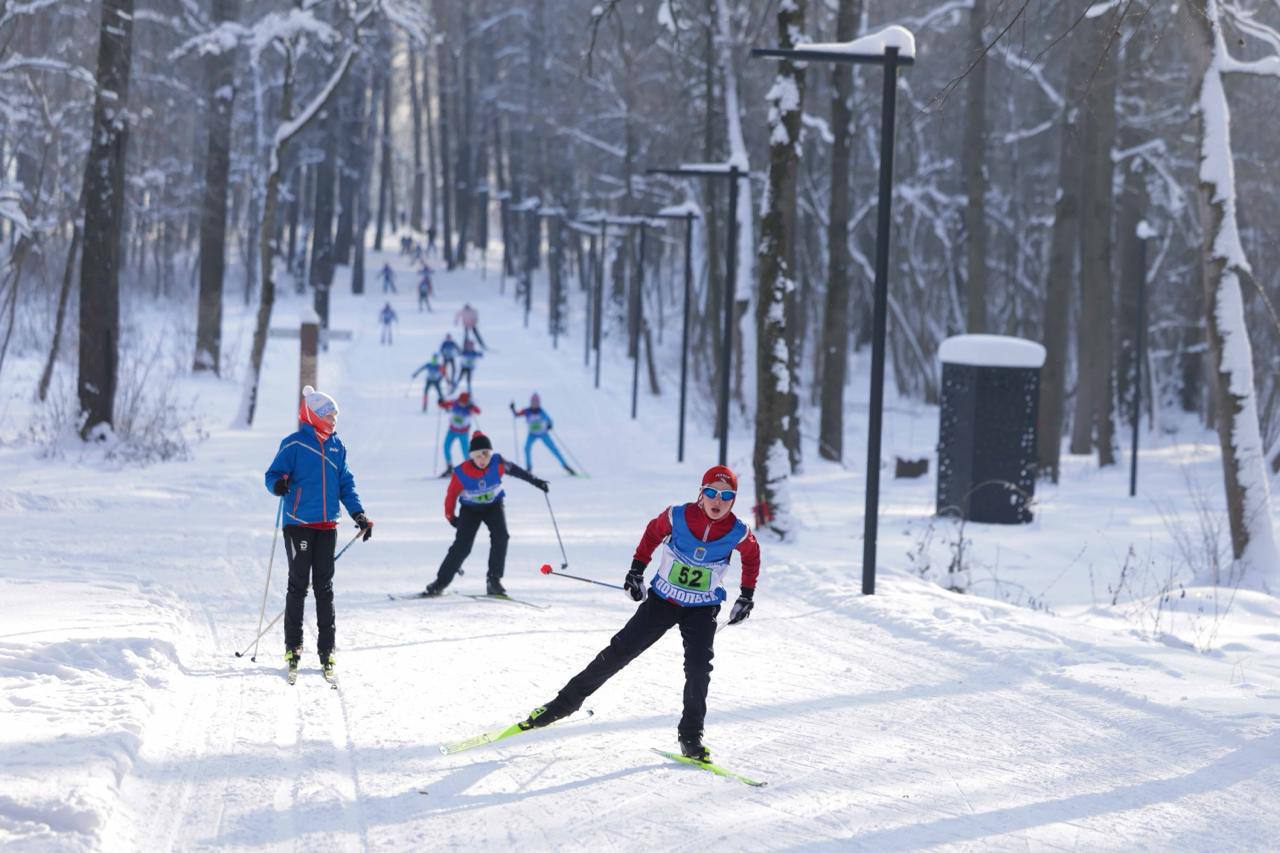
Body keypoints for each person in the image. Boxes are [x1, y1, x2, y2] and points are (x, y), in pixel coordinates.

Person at [519, 465, 759, 762]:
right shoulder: (678, 516)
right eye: (711, 492)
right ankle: (562, 704)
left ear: (733, 500)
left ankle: (691, 736)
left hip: (702, 607)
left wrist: (746, 596)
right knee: (620, 652)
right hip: (663, 601)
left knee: (699, 669)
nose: (717, 500)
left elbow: (751, 556)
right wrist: (636, 571)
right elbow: (652, 533)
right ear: (701, 493)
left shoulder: (737, 531)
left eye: (726, 496)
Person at [264, 385, 374, 680]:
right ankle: (293, 646)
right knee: (298, 585)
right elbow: (271, 475)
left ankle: (327, 650)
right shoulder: (294, 444)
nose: (333, 420)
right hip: (298, 523)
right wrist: (278, 485)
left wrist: (358, 514)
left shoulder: (338, 447)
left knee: (324, 587)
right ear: (312, 414)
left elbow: (346, 485)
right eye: (328, 414)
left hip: (327, 526)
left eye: (335, 415)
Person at [423, 432, 548, 598]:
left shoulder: (498, 463)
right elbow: (451, 495)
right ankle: (440, 583)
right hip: (470, 510)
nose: (483, 459)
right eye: (478, 456)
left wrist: (537, 482)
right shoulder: (462, 472)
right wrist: (451, 517)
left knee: (501, 536)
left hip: (493, 506)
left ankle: (493, 581)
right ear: (472, 457)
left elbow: (518, 472)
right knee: (462, 546)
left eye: (486, 454)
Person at [510, 393, 574, 475]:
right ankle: (529, 468)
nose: (535, 404)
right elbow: (516, 415)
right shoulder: (526, 411)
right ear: (531, 402)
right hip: (532, 434)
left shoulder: (541, 411)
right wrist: (512, 409)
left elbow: (549, 420)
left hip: (543, 433)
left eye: (536, 402)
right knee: (526, 448)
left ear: (539, 403)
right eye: (533, 402)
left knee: (554, 449)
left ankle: (565, 465)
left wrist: (549, 425)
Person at [438, 391, 480, 473]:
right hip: (452, 430)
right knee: (446, 446)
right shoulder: (454, 403)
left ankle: (471, 467)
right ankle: (449, 466)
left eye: (464, 403)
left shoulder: (469, 406)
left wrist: (472, 407)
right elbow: (444, 405)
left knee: (465, 451)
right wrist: (440, 402)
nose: (462, 404)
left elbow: (478, 411)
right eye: (461, 402)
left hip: (463, 433)